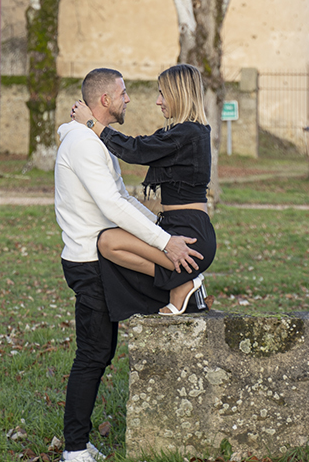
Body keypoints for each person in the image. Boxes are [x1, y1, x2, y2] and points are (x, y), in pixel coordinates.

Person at [55, 67, 202, 462]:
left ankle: (188, 284)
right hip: (89, 262)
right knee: (93, 353)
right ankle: (73, 448)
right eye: (123, 93)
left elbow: (123, 195)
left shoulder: (94, 142)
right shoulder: (84, 145)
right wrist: (166, 242)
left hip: (105, 259)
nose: (129, 99)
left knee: (101, 352)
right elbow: (113, 206)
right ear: (105, 100)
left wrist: (159, 230)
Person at [70, 63, 216, 318]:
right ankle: (182, 281)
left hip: (190, 232)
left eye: (162, 93)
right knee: (108, 245)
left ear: (178, 94)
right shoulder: (181, 133)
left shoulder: (189, 133)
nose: (158, 101)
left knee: (108, 241)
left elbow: (136, 150)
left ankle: (184, 280)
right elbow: (142, 147)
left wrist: (92, 123)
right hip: (176, 224)